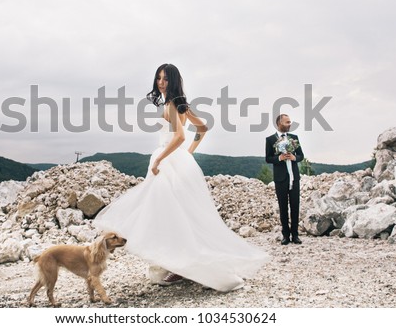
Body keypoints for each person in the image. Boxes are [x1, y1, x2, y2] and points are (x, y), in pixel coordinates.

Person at [94, 63, 268, 292]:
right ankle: (180, 264)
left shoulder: (173, 104)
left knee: (170, 213)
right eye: (158, 78)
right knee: (179, 213)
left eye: (165, 79)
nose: (161, 83)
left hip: (169, 162)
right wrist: (187, 153)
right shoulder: (181, 103)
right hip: (179, 162)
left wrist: (160, 159)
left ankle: (182, 266)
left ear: (173, 80)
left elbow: (178, 136)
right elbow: (203, 128)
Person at [265, 114, 305, 245]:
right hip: (280, 178)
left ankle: (295, 235)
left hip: (294, 177)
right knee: (283, 207)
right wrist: (279, 158)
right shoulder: (270, 139)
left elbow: (301, 155)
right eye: (287, 122)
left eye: (290, 122)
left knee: (295, 206)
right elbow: (268, 158)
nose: (289, 124)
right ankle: (285, 236)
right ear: (279, 123)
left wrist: (294, 158)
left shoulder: (294, 138)